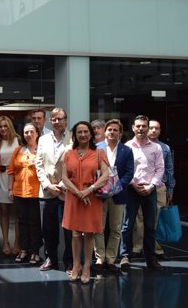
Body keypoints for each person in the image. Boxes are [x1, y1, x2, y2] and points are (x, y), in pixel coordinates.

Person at [62, 121, 109, 284]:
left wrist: (88, 190)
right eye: (79, 132)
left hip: (92, 197)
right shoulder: (68, 154)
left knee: (89, 234)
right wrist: (78, 193)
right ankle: (76, 266)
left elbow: (105, 175)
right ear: (75, 135)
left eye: (85, 132)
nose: (83, 135)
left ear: (91, 134)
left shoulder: (99, 152)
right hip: (74, 197)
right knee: (75, 234)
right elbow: (64, 177)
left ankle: (87, 266)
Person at [120, 115, 165, 271]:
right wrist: (133, 184)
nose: (141, 129)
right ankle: (124, 256)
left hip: (150, 190)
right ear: (133, 128)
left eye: (143, 126)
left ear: (147, 127)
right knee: (127, 225)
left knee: (150, 226)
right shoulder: (126, 146)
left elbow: (160, 169)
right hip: (132, 190)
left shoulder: (156, 148)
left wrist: (151, 186)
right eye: (138, 126)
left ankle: (150, 258)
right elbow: (124, 169)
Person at [93, 119, 134, 273]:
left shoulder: (126, 150)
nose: (112, 132)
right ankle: (99, 258)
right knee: (99, 228)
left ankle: (111, 259)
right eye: (109, 129)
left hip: (118, 194)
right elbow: (92, 170)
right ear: (105, 132)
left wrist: (117, 186)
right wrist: (99, 186)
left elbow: (130, 172)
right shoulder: (97, 148)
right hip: (100, 194)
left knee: (116, 228)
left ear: (120, 133)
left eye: (115, 130)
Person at [36, 108, 73, 273]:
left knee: (69, 230)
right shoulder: (43, 139)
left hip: (67, 190)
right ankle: (50, 258)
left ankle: (69, 261)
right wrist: (47, 184)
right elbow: (39, 165)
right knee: (48, 229)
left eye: (60, 119)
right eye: (54, 119)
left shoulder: (74, 138)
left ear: (66, 119)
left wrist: (63, 185)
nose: (57, 122)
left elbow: (76, 166)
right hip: (47, 190)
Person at [134, 119, 175, 258]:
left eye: (156, 128)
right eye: (150, 128)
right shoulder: (134, 145)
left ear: (160, 131)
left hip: (158, 187)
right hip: (139, 186)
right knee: (138, 218)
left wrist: (170, 190)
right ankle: (138, 247)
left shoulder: (165, 148)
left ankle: (154, 248)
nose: (153, 131)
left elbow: (169, 169)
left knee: (156, 219)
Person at [8, 123, 42, 265]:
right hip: (19, 192)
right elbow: (11, 171)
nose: (29, 135)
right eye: (26, 132)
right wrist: (10, 189)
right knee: (21, 222)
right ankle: (24, 249)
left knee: (34, 222)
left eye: (31, 132)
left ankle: (35, 251)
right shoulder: (18, 150)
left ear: (37, 133)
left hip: (36, 192)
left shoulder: (41, 150)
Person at [0, 116, 21, 257]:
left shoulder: (18, 139)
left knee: (18, 213)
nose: (3, 129)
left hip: (17, 177)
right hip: (2, 177)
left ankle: (17, 242)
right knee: (4, 212)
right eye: (0, 127)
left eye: (5, 126)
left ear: (10, 126)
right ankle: (5, 243)